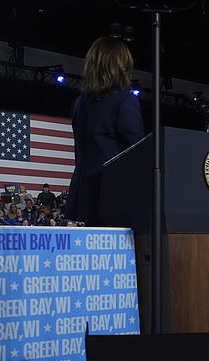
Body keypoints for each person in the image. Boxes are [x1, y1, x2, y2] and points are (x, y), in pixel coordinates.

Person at [64, 36, 144, 227]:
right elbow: (138, 155)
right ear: (121, 66)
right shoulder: (124, 101)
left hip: (85, 194)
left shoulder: (79, 103)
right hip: (115, 196)